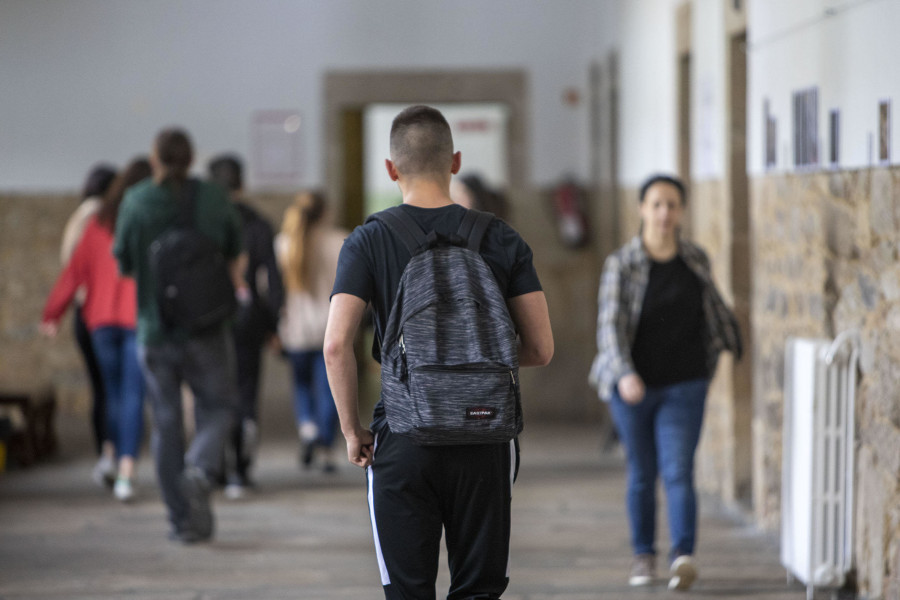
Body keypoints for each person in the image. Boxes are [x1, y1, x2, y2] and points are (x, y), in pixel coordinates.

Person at [324, 105, 554, 599]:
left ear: (391, 169)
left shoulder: (368, 240)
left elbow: (336, 344)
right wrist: (476, 366)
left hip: (404, 436)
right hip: (486, 434)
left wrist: (351, 431)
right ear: (455, 161)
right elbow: (540, 347)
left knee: (408, 590)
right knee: (478, 589)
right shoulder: (501, 237)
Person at [589, 174, 742, 591]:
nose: (664, 213)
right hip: (632, 389)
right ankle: (643, 556)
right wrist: (624, 374)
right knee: (642, 472)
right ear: (642, 209)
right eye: (656, 204)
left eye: (672, 205)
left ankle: (682, 556)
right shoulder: (622, 263)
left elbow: (710, 314)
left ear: (681, 212)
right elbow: (609, 328)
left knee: (678, 470)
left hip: (685, 385)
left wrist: (716, 355)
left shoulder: (695, 258)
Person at [113, 128, 245, 544]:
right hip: (207, 327)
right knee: (219, 404)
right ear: (191, 159)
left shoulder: (136, 201)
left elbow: (124, 263)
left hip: (156, 329)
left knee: (167, 424)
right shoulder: (213, 196)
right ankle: (201, 469)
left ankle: (182, 521)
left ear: (154, 160)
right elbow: (234, 247)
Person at [42, 158, 151, 502]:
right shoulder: (148, 222)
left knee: (112, 392)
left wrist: (53, 313)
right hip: (137, 319)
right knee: (133, 394)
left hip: (100, 320)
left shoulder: (97, 223)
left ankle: (109, 455)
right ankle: (127, 471)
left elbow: (75, 272)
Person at [208, 154, 284, 499]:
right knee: (246, 394)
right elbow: (273, 280)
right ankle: (241, 469)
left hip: (209, 321)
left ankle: (215, 467)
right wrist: (274, 323)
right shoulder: (258, 223)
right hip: (249, 321)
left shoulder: (204, 221)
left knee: (212, 394)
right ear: (242, 183)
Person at [276, 191, 345, 473]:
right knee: (328, 387)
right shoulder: (340, 241)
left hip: (295, 328)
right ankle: (327, 449)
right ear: (325, 212)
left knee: (301, 383)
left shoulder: (282, 243)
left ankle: (307, 428)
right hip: (331, 327)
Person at [60, 163, 117, 485]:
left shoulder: (79, 216)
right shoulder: (97, 216)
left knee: (101, 387)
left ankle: (106, 454)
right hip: (102, 311)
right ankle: (113, 453)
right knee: (112, 388)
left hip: (87, 311)